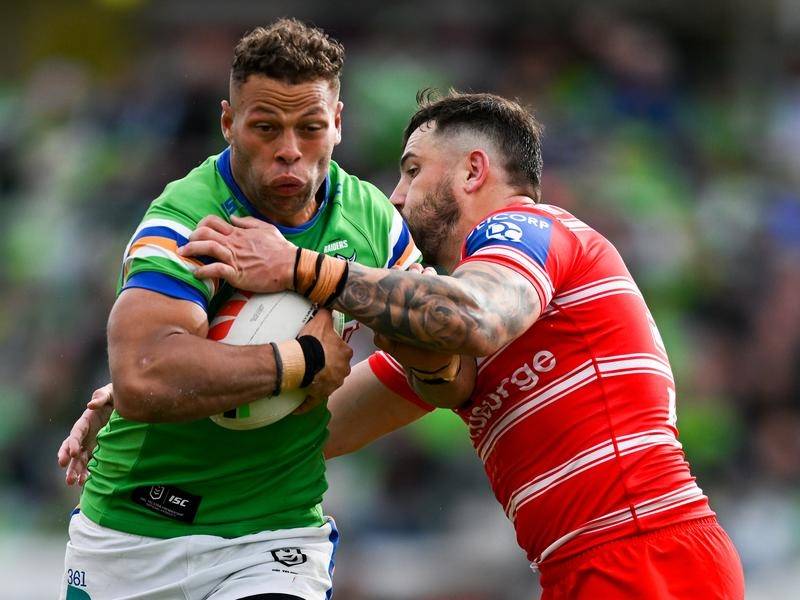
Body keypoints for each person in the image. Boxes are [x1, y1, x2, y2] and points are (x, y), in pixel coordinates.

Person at [172, 90, 747, 599]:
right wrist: (169, 395)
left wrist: (301, 267)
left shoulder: (530, 229)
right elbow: (316, 431)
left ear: (473, 171)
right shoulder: (448, 343)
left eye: (412, 171)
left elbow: (475, 316)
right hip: (585, 565)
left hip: (645, 549)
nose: (395, 199)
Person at [57, 18, 427, 600]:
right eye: (265, 127)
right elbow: (143, 376)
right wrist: (301, 362)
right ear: (228, 123)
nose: (289, 151)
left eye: (309, 128)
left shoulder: (371, 221)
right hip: (132, 535)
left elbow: (441, 354)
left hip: (273, 536)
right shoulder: (186, 219)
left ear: (337, 123)